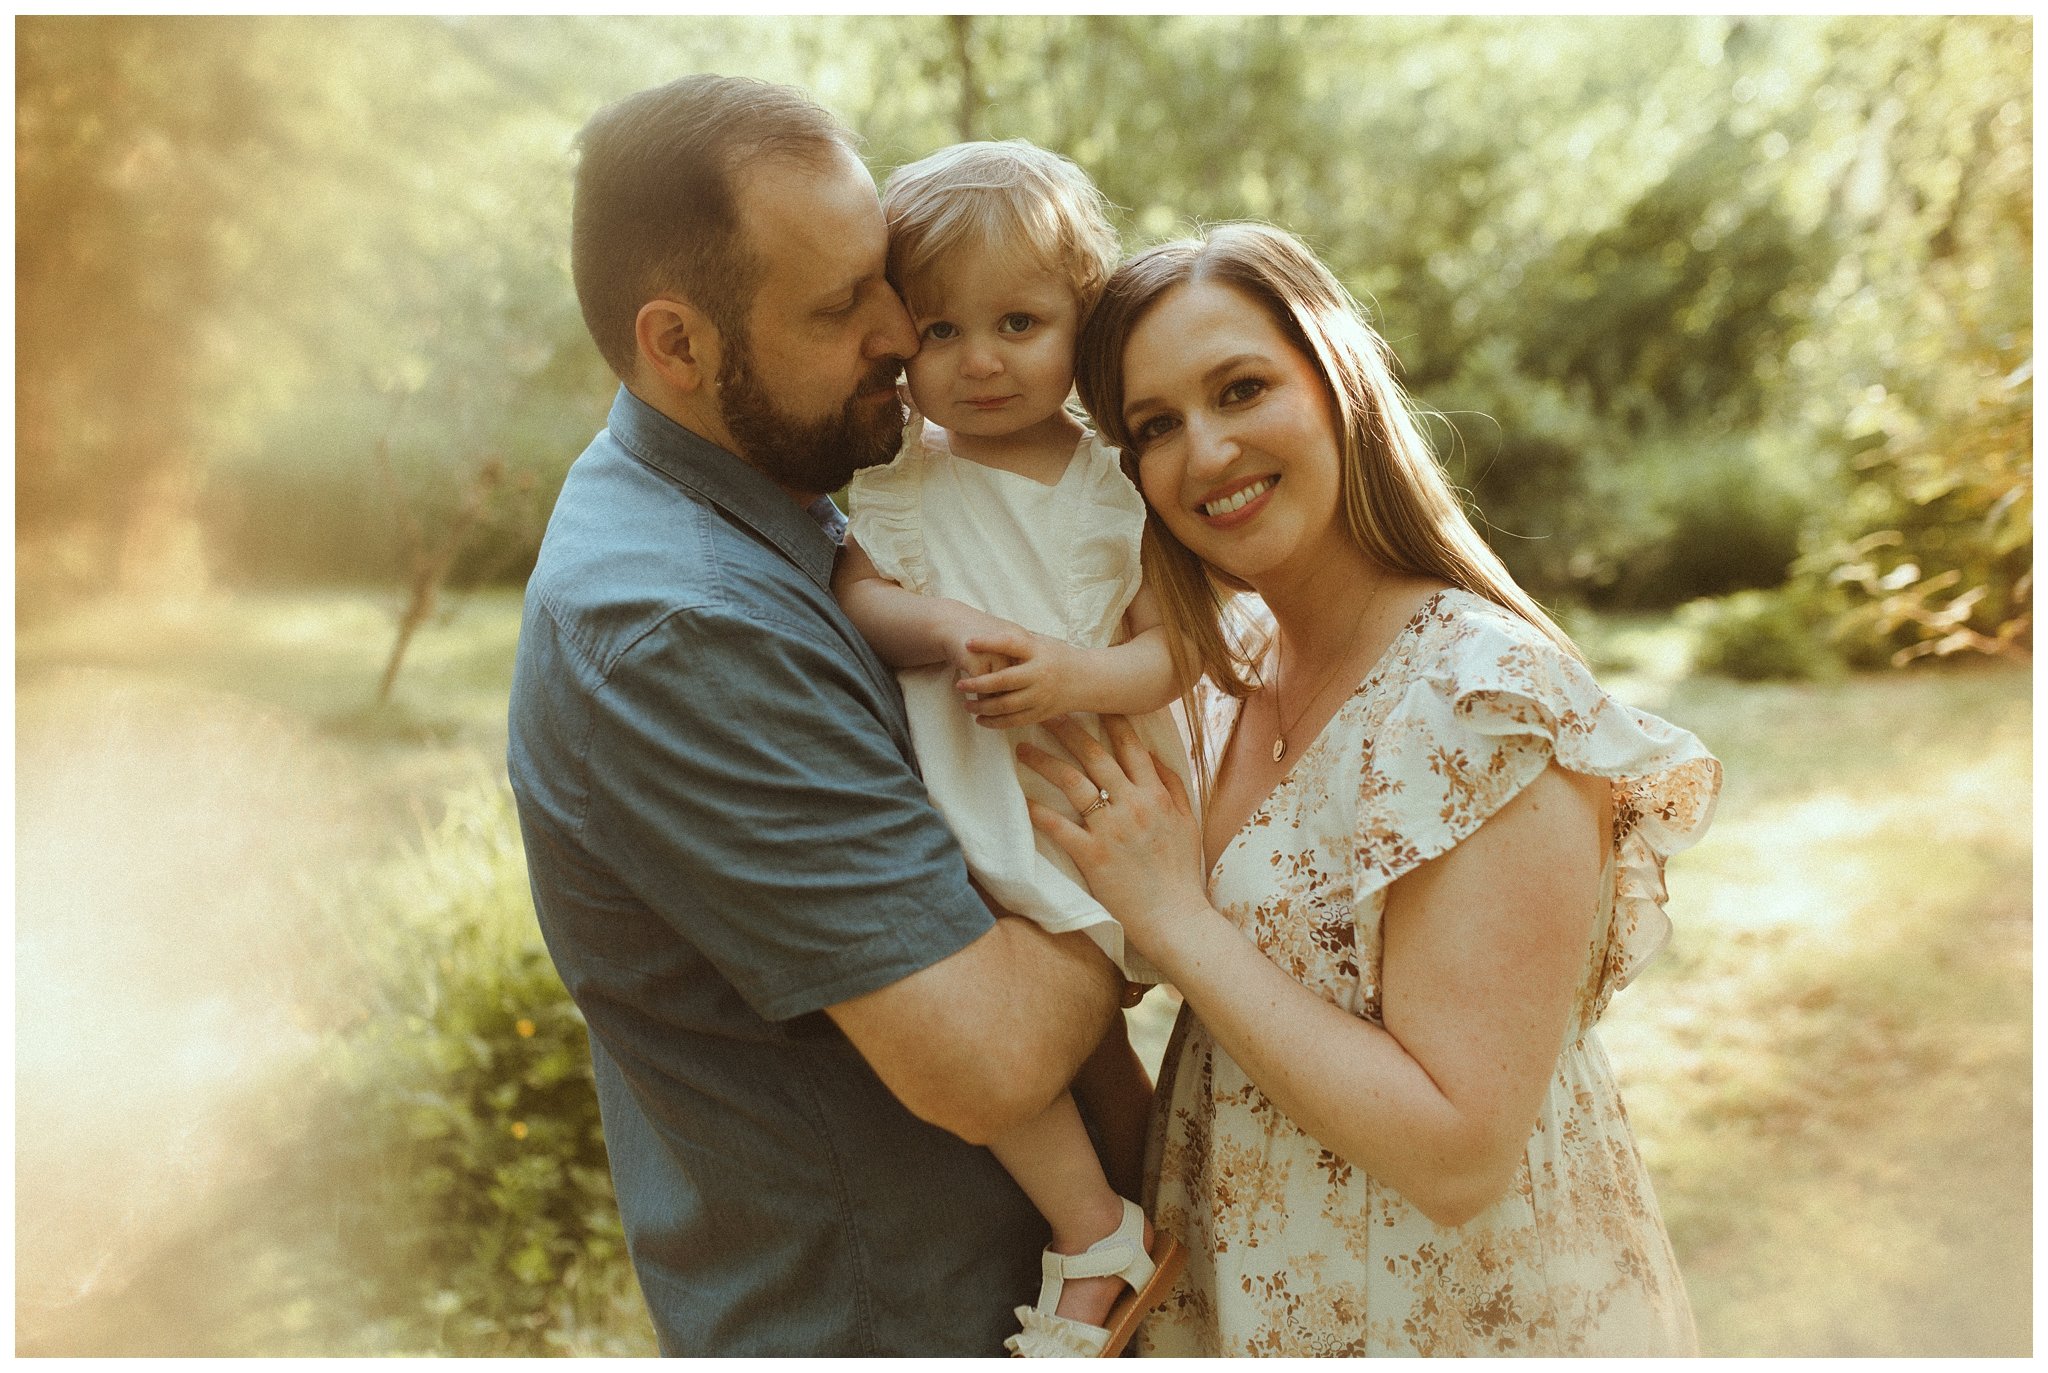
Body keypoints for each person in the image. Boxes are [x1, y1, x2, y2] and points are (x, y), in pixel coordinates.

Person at [505, 75, 1131, 1357]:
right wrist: (1152, 876)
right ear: (677, 344)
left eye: (882, 277)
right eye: (844, 302)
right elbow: (990, 1061)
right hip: (897, 1316)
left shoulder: (781, 490)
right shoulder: (681, 628)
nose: (904, 329)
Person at [1015, 222, 1722, 1355]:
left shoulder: (1480, 697)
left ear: (1338, 383)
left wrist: (1173, 919)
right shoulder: (1221, 681)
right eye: (1155, 426)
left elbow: (1458, 1150)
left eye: (1239, 389)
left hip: (1457, 1315)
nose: (1202, 454)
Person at [831, 140, 1189, 1358]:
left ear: (1081, 322)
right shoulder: (899, 486)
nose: (978, 360)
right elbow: (863, 601)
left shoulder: (1113, 489)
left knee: (1079, 1037)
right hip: (967, 803)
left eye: (1019, 322)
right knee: (1020, 1033)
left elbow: (1175, 652)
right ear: (897, 343)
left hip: (1080, 797)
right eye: (938, 331)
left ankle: (1127, 1225)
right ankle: (1100, 1226)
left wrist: (1078, 674)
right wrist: (941, 625)